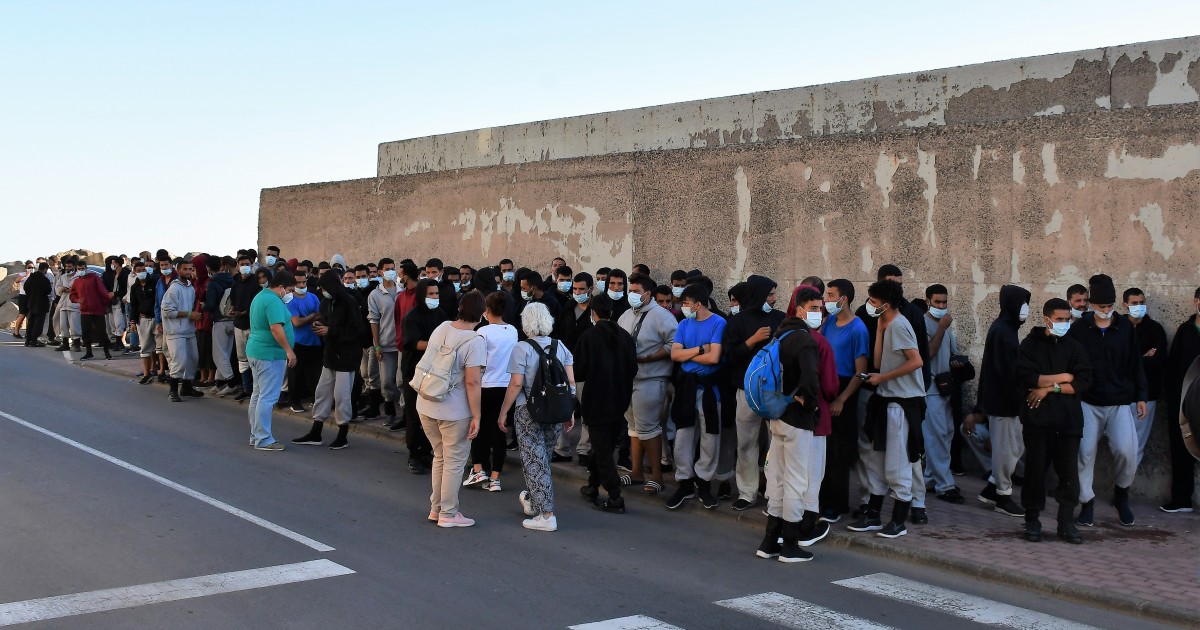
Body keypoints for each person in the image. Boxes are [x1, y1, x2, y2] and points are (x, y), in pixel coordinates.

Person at [1066, 274, 1147, 527]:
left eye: (1110, 306)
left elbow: (1135, 363)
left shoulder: (1124, 327)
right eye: (1102, 306)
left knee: (1127, 450)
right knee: (1084, 452)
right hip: (1088, 402)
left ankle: (1121, 494)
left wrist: (1141, 396)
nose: (1106, 310)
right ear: (1091, 305)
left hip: (1119, 401)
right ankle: (1086, 502)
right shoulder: (1079, 329)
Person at [848, 280, 925, 539]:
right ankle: (872, 516)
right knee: (876, 462)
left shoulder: (901, 325)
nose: (870, 305)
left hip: (901, 404)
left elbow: (916, 361)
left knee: (897, 464)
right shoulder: (888, 324)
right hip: (885, 400)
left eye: (873, 301)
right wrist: (880, 329)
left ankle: (898, 521)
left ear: (886, 304)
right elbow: (878, 361)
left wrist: (884, 377)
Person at [1016, 298, 1091, 544]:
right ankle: (1032, 519)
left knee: (1068, 473)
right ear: (1047, 319)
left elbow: (1082, 381)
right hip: (1038, 421)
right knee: (1036, 471)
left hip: (1068, 422)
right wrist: (1063, 377)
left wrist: (1050, 388)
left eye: (1067, 319)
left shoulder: (1075, 347)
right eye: (1059, 319)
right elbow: (1027, 376)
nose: (1064, 323)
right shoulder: (1030, 345)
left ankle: (1066, 522)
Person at [756, 290, 822, 563]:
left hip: (777, 415)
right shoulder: (804, 340)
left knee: (778, 479)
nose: (820, 311)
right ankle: (790, 545)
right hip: (797, 418)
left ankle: (770, 541)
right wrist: (811, 403)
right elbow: (811, 377)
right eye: (815, 306)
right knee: (796, 481)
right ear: (801, 310)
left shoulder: (780, 335)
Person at [499, 302, 577, 532]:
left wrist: (504, 411)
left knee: (534, 461)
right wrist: (569, 410)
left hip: (528, 410)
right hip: (555, 411)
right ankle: (534, 501)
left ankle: (547, 515)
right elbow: (570, 382)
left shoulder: (521, 348)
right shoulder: (560, 346)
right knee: (543, 459)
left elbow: (516, 383)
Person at [415, 291, 486, 528]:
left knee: (440, 456)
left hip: (426, 402)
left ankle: (436, 509)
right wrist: (477, 415)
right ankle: (449, 512)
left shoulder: (443, 327)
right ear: (482, 314)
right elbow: (473, 382)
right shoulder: (475, 341)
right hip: (454, 410)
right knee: (455, 461)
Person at [723, 275, 784, 511]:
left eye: (775, 293)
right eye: (770, 294)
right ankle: (747, 492)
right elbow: (729, 356)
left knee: (775, 443)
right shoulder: (738, 322)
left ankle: (773, 493)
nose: (774, 298)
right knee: (746, 442)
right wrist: (752, 341)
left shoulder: (780, 319)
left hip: (773, 392)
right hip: (746, 391)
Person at [666, 283, 729, 510]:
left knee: (710, 435)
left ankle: (704, 481)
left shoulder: (718, 323)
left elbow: (715, 359)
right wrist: (700, 350)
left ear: (698, 304)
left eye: (686, 303)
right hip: (686, 389)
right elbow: (675, 354)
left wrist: (688, 356)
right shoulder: (683, 324)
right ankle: (684, 482)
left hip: (709, 389)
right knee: (683, 434)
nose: (683, 307)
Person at [575, 293, 637, 513]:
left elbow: (579, 371)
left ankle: (615, 497)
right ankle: (592, 486)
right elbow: (633, 368)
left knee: (602, 449)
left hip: (596, 400)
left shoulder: (589, 337)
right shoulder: (625, 337)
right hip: (620, 398)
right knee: (604, 445)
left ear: (593, 313)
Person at [617, 273, 678, 495]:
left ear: (647, 294)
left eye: (636, 291)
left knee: (649, 427)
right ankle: (636, 472)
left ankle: (656, 476)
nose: (632, 295)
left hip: (651, 377)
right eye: (630, 291)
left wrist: (651, 357)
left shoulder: (662, 316)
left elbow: (675, 343)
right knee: (634, 426)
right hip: (629, 378)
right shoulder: (625, 315)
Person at [976, 284, 1032, 517]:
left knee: (1014, 447)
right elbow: (1005, 371)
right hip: (1004, 402)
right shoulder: (1003, 331)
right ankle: (1002, 495)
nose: (1026, 309)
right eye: (1022, 303)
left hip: (1008, 401)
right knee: (1006, 451)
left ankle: (992, 487)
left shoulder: (1007, 329)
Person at [293, 271, 363, 449]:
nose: (322, 291)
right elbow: (325, 320)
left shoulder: (349, 302)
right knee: (322, 393)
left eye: (324, 288)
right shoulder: (327, 302)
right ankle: (316, 432)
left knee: (342, 397)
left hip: (346, 359)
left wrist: (330, 331)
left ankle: (342, 434)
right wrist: (319, 325)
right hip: (330, 356)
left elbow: (356, 331)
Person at [818, 278, 869, 521]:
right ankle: (822, 499)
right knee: (824, 450)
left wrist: (842, 399)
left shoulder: (858, 328)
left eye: (830, 295)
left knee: (840, 452)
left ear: (843, 298)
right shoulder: (828, 323)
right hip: (827, 389)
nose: (826, 300)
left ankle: (837, 505)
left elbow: (860, 372)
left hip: (845, 390)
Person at [465, 291, 518, 492]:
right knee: (499, 432)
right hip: (505, 387)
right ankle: (495, 478)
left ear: (486, 311)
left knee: (478, 429)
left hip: (485, 386)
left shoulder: (482, 333)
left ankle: (478, 468)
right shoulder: (512, 330)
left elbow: (478, 363)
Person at [245, 270, 298, 451]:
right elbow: (276, 328)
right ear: (281, 287)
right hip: (269, 355)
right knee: (267, 398)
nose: (290, 294)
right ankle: (263, 438)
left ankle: (256, 435)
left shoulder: (261, 296)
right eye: (290, 289)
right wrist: (289, 351)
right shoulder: (273, 300)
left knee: (258, 395)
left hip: (257, 351)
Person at [401, 278, 450, 472]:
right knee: (413, 414)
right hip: (415, 371)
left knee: (432, 415)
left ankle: (428, 451)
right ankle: (414, 454)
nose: (434, 297)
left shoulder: (441, 315)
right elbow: (414, 343)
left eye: (436, 294)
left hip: (436, 372)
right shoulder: (412, 316)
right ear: (422, 295)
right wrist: (437, 344)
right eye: (430, 294)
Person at [923, 284, 965, 504]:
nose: (941, 306)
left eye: (944, 302)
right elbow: (928, 353)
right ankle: (945, 485)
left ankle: (930, 479)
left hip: (946, 387)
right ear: (928, 300)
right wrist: (940, 329)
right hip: (930, 389)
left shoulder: (946, 326)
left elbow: (950, 353)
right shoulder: (924, 323)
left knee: (946, 434)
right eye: (937, 302)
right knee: (936, 435)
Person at [551, 271, 595, 464]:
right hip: (565, 367)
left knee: (587, 413)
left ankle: (585, 449)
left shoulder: (595, 309)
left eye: (581, 289)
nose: (577, 292)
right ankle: (562, 449)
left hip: (586, 369)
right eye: (575, 288)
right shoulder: (568, 307)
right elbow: (559, 334)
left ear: (590, 290)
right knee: (561, 410)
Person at [1162, 287, 1200, 513]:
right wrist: (1175, 397)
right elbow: (1173, 366)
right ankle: (1181, 499)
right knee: (1182, 447)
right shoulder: (1185, 331)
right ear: (1196, 301)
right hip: (1186, 401)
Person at [1123, 287, 1167, 469]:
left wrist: (1129, 361)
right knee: (1119, 445)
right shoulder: (1117, 327)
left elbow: (1158, 361)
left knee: (1135, 446)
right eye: (1135, 303)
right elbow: (1111, 360)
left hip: (1146, 396)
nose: (1139, 306)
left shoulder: (1155, 329)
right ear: (1125, 305)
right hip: (1119, 395)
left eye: (1142, 302)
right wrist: (1142, 358)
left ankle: (1123, 489)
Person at [159, 258, 204, 401]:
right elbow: (167, 312)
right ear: (178, 270)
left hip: (189, 330)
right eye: (185, 269)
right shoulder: (174, 289)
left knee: (192, 359)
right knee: (179, 361)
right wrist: (190, 314)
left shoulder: (190, 287)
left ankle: (186, 387)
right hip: (175, 331)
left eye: (191, 269)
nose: (188, 272)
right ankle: (173, 391)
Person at [367, 258, 403, 423]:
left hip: (402, 344)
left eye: (392, 268)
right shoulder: (375, 295)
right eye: (387, 269)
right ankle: (389, 406)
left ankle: (403, 413)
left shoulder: (402, 291)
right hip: (386, 344)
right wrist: (377, 345)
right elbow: (374, 320)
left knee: (401, 380)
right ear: (380, 272)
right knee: (387, 380)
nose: (390, 271)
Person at [284, 266, 321, 412]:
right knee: (295, 375)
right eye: (298, 283)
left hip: (314, 341)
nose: (301, 285)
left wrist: (310, 317)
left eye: (303, 282)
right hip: (297, 342)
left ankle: (315, 399)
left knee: (314, 374)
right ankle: (294, 402)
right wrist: (312, 316)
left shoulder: (313, 297)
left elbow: (321, 314)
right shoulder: (290, 301)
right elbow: (296, 322)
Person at [389, 261, 420, 432]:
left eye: (400, 275)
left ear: (406, 276)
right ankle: (406, 414)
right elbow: (398, 321)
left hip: (418, 348)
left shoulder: (420, 296)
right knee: (401, 381)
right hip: (404, 346)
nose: (398, 278)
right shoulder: (401, 297)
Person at [229, 254, 262, 401]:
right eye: (241, 263)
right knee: (242, 359)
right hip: (238, 325)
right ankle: (246, 388)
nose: (244, 266)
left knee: (255, 358)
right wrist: (234, 310)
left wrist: (245, 312)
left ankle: (257, 389)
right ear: (237, 265)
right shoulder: (236, 283)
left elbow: (259, 304)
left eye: (247, 263)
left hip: (252, 326)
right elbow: (235, 301)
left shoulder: (257, 282)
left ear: (252, 264)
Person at [71, 262, 113, 361]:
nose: (81, 270)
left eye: (82, 268)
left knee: (102, 331)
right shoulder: (76, 281)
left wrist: (107, 300)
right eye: (79, 269)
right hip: (85, 310)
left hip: (97, 309)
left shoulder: (95, 278)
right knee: (86, 332)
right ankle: (89, 352)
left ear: (86, 268)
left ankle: (107, 352)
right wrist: (77, 300)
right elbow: (72, 295)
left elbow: (102, 291)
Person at [21, 262, 52, 347]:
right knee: (39, 323)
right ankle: (34, 340)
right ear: (45, 269)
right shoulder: (45, 280)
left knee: (31, 322)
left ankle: (27, 341)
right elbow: (48, 291)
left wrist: (31, 295)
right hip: (41, 304)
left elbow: (25, 287)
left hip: (31, 302)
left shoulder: (31, 277)